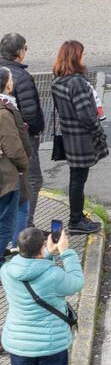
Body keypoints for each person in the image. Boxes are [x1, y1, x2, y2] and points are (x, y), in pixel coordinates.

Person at [1, 226, 83, 365]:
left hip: (19, 343)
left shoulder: (6, 271)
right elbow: (77, 282)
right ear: (41, 246)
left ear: (19, 247)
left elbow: (30, 269)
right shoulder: (54, 275)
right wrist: (66, 252)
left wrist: (47, 254)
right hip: (51, 344)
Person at [48, 41, 106, 233]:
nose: (83, 58)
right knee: (78, 179)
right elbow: (86, 115)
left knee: (76, 177)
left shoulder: (57, 81)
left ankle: (77, 216)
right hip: (82, 138)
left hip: (69, 136)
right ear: (75, 57)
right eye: (81, 54)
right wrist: (99, 131)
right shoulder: (77, 83)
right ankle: (76, 220)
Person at [0, 35, 44, 240]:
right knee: (30, 183)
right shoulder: (20, 77)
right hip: (18, 141)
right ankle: (25, 235)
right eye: (25, 48)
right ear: (19, 52)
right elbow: (30, 114)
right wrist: (34, 131)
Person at [0, 67, 30, 256]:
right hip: (6, 175)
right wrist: (23, 165)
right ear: (7, 85)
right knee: (5, 225)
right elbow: (13, 147)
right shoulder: (4, 113)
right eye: (11, 79)